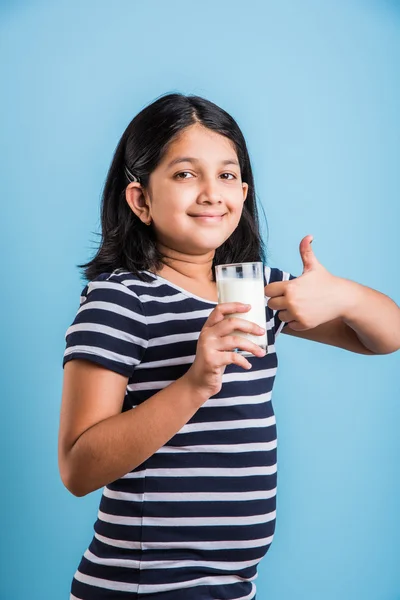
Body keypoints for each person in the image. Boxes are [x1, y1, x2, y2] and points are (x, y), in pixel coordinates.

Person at [59, 92, 400, 600]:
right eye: (184, 174)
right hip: (144, 585)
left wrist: (345, 296)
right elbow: (78, 466)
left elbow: (384, 337)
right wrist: (196, 383)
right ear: (140, 200)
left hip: (233, 586)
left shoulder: (254, 290)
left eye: (225, 175)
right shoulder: (121, 299)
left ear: (243, 192)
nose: (210, 192)